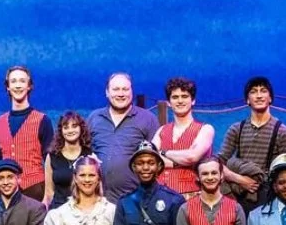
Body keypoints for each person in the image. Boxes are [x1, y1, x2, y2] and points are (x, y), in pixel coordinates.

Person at [218, 75, 286, 212]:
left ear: (270, 98)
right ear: (248, 100)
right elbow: (217, 162)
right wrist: (240, 179)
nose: (259, 95)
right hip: (238, 195)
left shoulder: (282, 131)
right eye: (253, 92)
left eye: (263, 91)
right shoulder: (237, 129)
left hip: (269, 197)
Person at [87, 72, 161, 203]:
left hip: (135, 201)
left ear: (131, 91)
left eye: (125, 89)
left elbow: (157, 159)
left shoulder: (148, 119)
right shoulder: (94, 118)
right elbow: (86, 155)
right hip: (98, 200)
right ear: (107, 92)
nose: (121, 94)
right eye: (116, 89)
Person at [0, 65, 54, 201]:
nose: (18, 85)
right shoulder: (0, 121)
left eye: (22, 81)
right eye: (13, 81)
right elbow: (0, 158)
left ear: (29, 86)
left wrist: (48, 195)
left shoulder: (42, 120)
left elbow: (49, 161)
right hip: (6, 191)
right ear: (8, 87)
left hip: (35, 189)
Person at [154, 77, 214, 198]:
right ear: (169, 103)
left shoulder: (205, 129)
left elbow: (192, 157)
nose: (180, 101)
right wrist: (180, 160)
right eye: (175, 97)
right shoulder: (161, 131)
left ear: (193, 101)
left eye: (185, 96)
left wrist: (163, 153)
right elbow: (151, 160)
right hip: (160, 196)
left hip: (192, 196)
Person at [43, 111, 94, 210]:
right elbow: (48, 193)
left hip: (83, 210)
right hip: (58, 211)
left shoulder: (89, 155)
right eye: (66, 127)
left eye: (74, 126)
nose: (70, 130)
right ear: (61, 131)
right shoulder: (52, 156)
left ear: (81, 128)